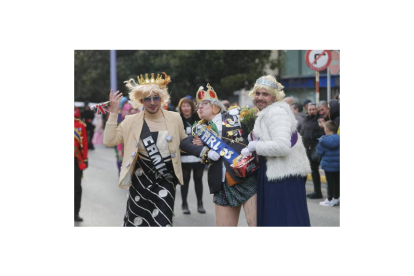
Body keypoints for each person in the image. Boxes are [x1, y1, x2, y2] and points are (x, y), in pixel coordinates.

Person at [103, 72, 187, 227]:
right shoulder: (130, 121)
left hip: (165, 179)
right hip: (140, 180)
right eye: (147, 98)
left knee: (162, 222)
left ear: (162, 98)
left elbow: (184, 144)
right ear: (140, 100)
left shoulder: (174, 118)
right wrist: (114, 113)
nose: (152, 102)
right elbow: (108, 141)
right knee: (138, 222)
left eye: (156, 97)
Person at [180, 84, 257, 227]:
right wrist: (205, 152)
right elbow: (184, 143)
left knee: (256, 225)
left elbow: (257, 125)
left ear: (216, 106)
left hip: (245, 177)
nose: (200, 107)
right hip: (221, 183)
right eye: (198, 105)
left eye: (204, 104)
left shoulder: (236, 115)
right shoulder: (201, 128)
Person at [246, 75, 311, 226]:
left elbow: (282, 146)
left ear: (274, 97)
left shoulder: (277, 112)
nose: (260, 97)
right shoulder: (269, 111)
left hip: (283, 177)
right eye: (257, 93)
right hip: (276, 172)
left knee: (283, 221)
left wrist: (255, 146)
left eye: (265, 94)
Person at [177, 96, 206, 214]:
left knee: (198, 179)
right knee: (185, 180)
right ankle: (184, 204)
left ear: (192, 107)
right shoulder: (177, 119)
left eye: (188, 106)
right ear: (180, 107)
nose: (186, 108)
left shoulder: (198, 118)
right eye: (183, 106)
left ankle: (200, 203)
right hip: (183, 154)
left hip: (197, 153)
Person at [300, 102, 325, 199]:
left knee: (314, 170)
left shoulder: (320, 120)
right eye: (309, 109)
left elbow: (322, 132)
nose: (311, 111)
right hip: (305, 148)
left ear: (317, 109)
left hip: (313, 148)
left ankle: (317, 192)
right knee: (305, 170)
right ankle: (302, 189)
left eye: (313, 109)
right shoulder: (307, 118)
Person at [317, 121, 340, 207]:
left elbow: (319, 153)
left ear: (326, 129)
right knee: (337, 182)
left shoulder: (323, 140)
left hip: (328, 165)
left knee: (330, 183)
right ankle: (336, 198)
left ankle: (329, 199)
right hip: (338, 164)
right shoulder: (339, 138)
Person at [74, 107, 88, 222]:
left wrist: (85, 159)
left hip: (75, 160)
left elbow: (84, 143)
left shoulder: (80, 125)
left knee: (76, 187)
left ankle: (75, 212)